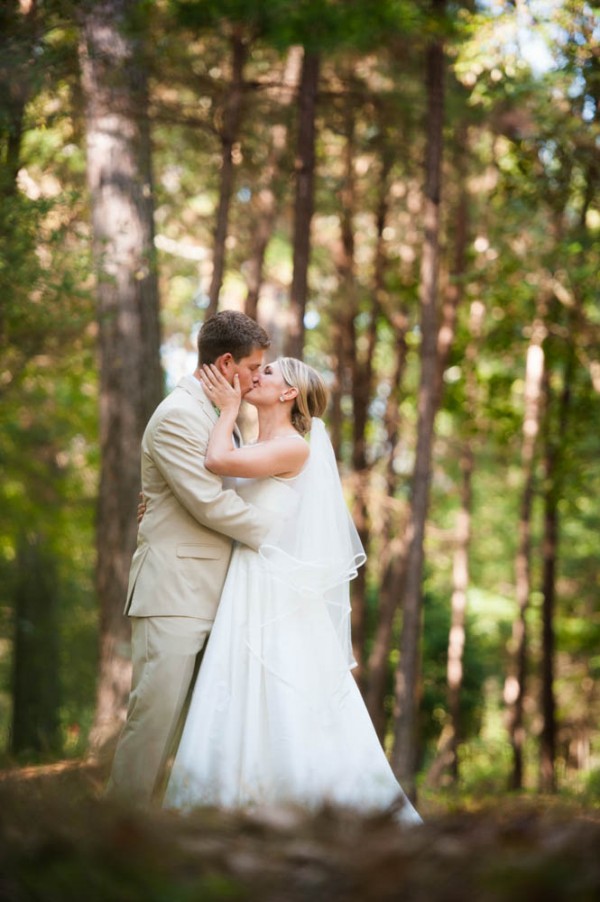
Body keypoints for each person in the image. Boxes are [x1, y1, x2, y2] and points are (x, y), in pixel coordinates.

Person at [162, 356, 422, 824]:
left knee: (286, 687)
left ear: (287, 394)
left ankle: (308, 804)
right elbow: (215, 497)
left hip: (273, 591)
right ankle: (233, 799)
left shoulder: (293, 447)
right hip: (244, 577)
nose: (254, 376)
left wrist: (225, 408)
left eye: (267, 374)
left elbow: (216, 463)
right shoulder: (252, 440)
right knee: (236, 684)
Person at [106, 311, 277, 806]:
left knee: (201, 728)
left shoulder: (219, 414)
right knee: (153, 721)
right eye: (252, 367)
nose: (255, 378)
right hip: (175, 594)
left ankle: (172, 831)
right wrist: (282, 538)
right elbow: (209, 503)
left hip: (219, 593)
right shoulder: (179, 414)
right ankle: (118, 829)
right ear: (226, 363)